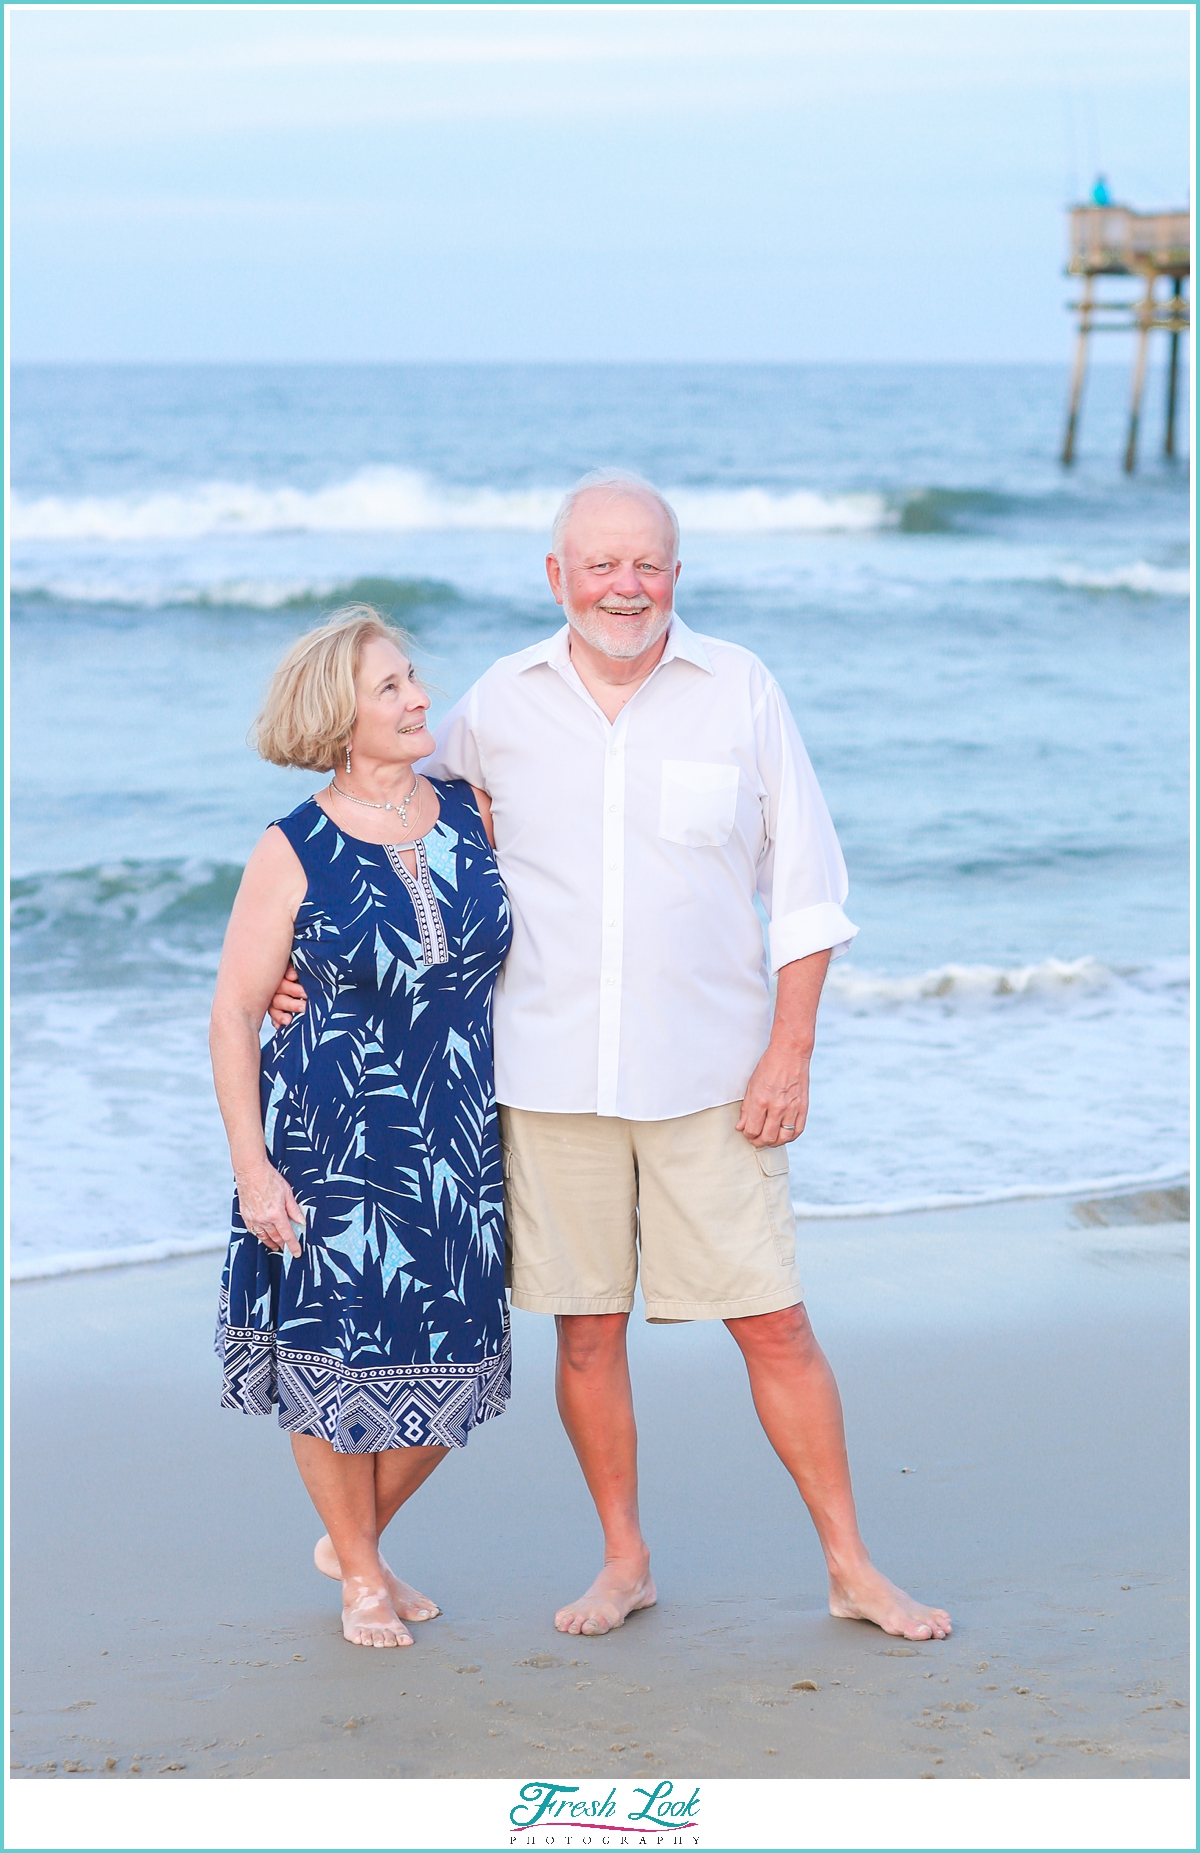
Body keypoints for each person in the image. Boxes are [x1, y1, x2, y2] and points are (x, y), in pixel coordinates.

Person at [272, 475, 951, 1645]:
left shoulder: (741, 688)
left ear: (675, 574)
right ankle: (624, 1558)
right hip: (545, 1076)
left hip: (714, 1076)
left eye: (648, 564)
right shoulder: (497, 704)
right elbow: (378, 820)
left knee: (774, 1322)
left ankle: (851, 1563)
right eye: (601, 565)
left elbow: (808, 888)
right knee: (585, 1330)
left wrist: (791, 1049)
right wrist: (290, 961)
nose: (625, 586)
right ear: (558, 576)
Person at [211, 605, 512, 1649]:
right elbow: (236, 1011)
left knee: (463, 1364)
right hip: (333, 1147)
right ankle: (362, 1580)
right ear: (339, 715)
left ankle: (356, 1541)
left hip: (463, 1142)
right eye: (390, 687)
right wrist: (254, 1166)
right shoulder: (292, 845)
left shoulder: (473, 810)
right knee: (328, 1358)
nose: (419, 695)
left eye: (413, 676)